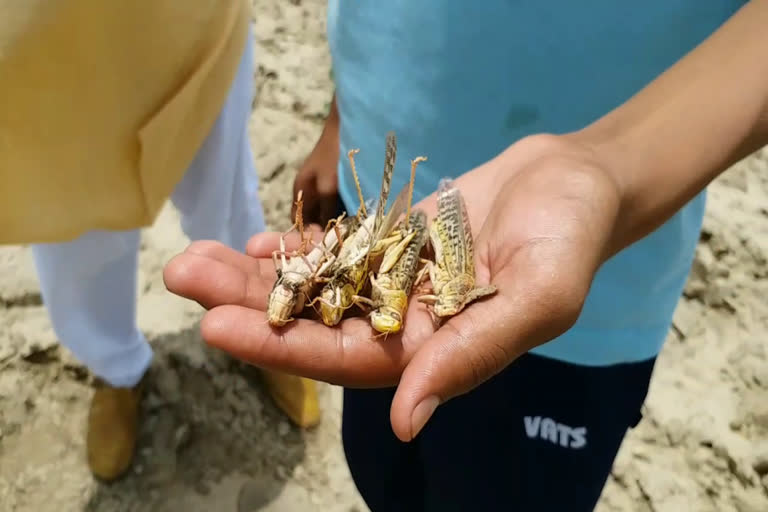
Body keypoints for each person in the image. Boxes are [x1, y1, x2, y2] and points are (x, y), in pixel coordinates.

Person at [164, 0, 768, 510]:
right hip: (378, 197)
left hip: (592, 289)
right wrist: (340, 116)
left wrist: (609, 168)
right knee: (383, 472)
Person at [0, 0, 321, 482]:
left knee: (228, 197)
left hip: (187, 23)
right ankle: (114, 367)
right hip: (47, 54)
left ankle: (262, 325)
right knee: (74, 233)